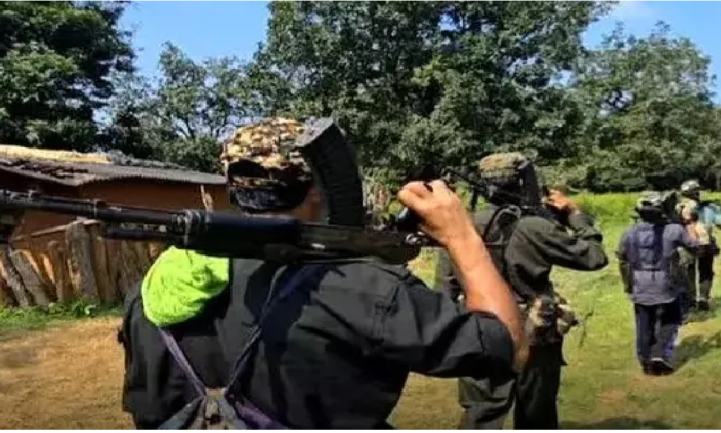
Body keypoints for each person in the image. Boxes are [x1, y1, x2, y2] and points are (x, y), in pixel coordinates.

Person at [120, 117, 527, 429]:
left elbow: (147, 407)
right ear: (316, 187)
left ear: (234, 188)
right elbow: (508, 347)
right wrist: (462, 238)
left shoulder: (155, 287)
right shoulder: (366, 290)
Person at [435, 153, 609, 430]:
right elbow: (594, 257)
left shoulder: (461, 229)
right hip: (534, 334)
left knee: (480, 414)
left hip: (480, 330)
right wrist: (573, 214)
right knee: (536, 414)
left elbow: (444, 289)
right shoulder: (536, 227)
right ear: (522, 183)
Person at [618, 192, 698, 375]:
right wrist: (686, 224)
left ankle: (646, 361)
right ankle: (660, 353)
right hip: (666, 283)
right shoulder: (674, 230)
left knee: (644, 324)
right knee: (672, 318)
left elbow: (622, 259)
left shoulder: (629, 232)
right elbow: (695, 247)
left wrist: (627, 284)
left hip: (639, 283)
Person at [676, 180, 720, 312]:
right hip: (705, 244)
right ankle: (703, 298)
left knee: (688, 273)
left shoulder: (677, 207)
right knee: (706, 271)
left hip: (686, 244)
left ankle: (690, 301)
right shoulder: (709, 207)